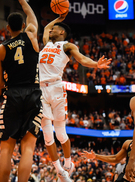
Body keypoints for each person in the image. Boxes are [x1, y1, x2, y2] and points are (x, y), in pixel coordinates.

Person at [39, 13, 111, 181]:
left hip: (57, 88)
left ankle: (68, 163)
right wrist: (57, 19)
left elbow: (82, 59)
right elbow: (46, 28)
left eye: (55, 29)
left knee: (61, 134)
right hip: (40, 90)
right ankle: (60, 170)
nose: (51, 30)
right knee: (47, 136)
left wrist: (95, 64)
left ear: (62, 33)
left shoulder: (67, 46)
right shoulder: (46, 43)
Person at [0, 0, 42, 181]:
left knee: (6, 147)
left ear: (7, 28)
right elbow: (32, 17)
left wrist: (6, 90)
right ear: (23, 26)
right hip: (33, 93)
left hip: (12, 93)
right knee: (28, 147)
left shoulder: (0, 49)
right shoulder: (31, 36)